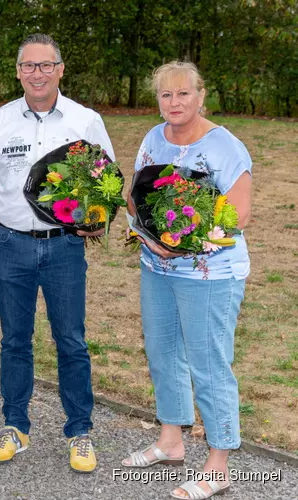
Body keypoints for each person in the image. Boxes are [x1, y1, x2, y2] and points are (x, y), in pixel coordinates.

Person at [0, 33, 114, 472]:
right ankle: (15, 427)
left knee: (70, 341)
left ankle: (80, 432)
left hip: (65, 248)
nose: (37, 73)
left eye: (46, 65)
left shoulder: (85, 120)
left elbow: (106, 185)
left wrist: (95, 219)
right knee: (15, 341)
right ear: (18, 71)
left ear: (60, 70)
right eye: (29, 66)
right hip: (12, 245)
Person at [123, 61, 252, 500]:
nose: (174, 103)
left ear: (201, 96)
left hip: (209, 273)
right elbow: (134, 197)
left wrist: (185, 244)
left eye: (183, 94)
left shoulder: (225, 147)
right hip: (156, 267)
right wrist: (148, 236)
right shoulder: (153, 138)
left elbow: (239, 215)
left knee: (210, 365)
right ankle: (171, 441)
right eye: (165, 95)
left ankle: (219, 465)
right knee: (162, 353)